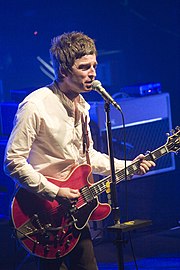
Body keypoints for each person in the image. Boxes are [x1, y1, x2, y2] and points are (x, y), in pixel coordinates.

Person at [4, 31, 155, 270]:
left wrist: (130, 166)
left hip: (74, 212)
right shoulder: (35, 105)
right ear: (64, 71)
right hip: (42, 211)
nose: (93, 73)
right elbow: (13, 161)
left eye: (94, 65)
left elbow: (89, 158)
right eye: (84, 67)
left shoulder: (82, 106)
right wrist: (55, 192)